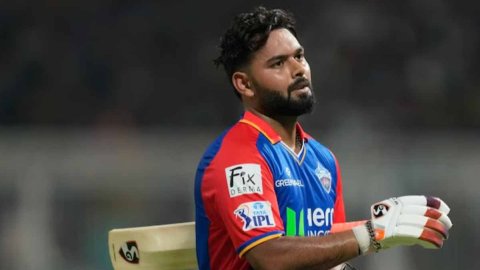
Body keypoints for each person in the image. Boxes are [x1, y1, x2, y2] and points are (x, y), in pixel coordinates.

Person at [194, 6, 452, 270]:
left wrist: (385, 228)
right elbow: (269, 257)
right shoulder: (239, 157)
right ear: (245, 84)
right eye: (278, 63)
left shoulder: (322, 159)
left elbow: (330, 261)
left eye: (299, 56)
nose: (298, 70)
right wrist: (373, 234)